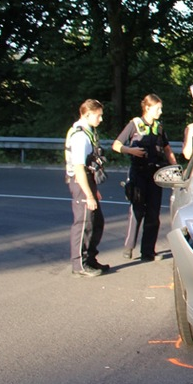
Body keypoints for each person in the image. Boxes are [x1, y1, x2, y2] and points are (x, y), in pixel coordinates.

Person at [113, 94, 177, 261]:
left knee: (153, 213)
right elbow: (116, 145)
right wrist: (131, 151)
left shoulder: (159, 127)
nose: (161, 112)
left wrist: (175, 170)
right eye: (158, 108)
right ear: (147, 108)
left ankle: (148, 252)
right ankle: (129, 247)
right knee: (137, 210)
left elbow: (167, 149)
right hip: (138, 174)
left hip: (155, 174)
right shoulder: (134, 124)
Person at [65, 99, 109, 277]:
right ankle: (80, 266)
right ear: (88, 114)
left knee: (97, 221)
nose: (101, 119)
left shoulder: (88, 132)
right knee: (84, 223)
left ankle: (90, 259)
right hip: (80, 181)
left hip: (88, 181)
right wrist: (88, 195)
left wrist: (94, 190)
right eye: (98, 115)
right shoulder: (80, 136)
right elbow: (78, 168)